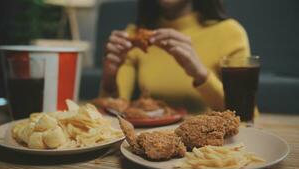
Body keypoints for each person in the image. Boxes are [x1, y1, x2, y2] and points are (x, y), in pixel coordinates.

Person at [100, 0, 250, 113]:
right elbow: (115, 112)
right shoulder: (133, 36)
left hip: (213, 147)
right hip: (150, 142)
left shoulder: (231, 33)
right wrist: (109, 79)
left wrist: (201, 74)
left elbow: (245, 115)